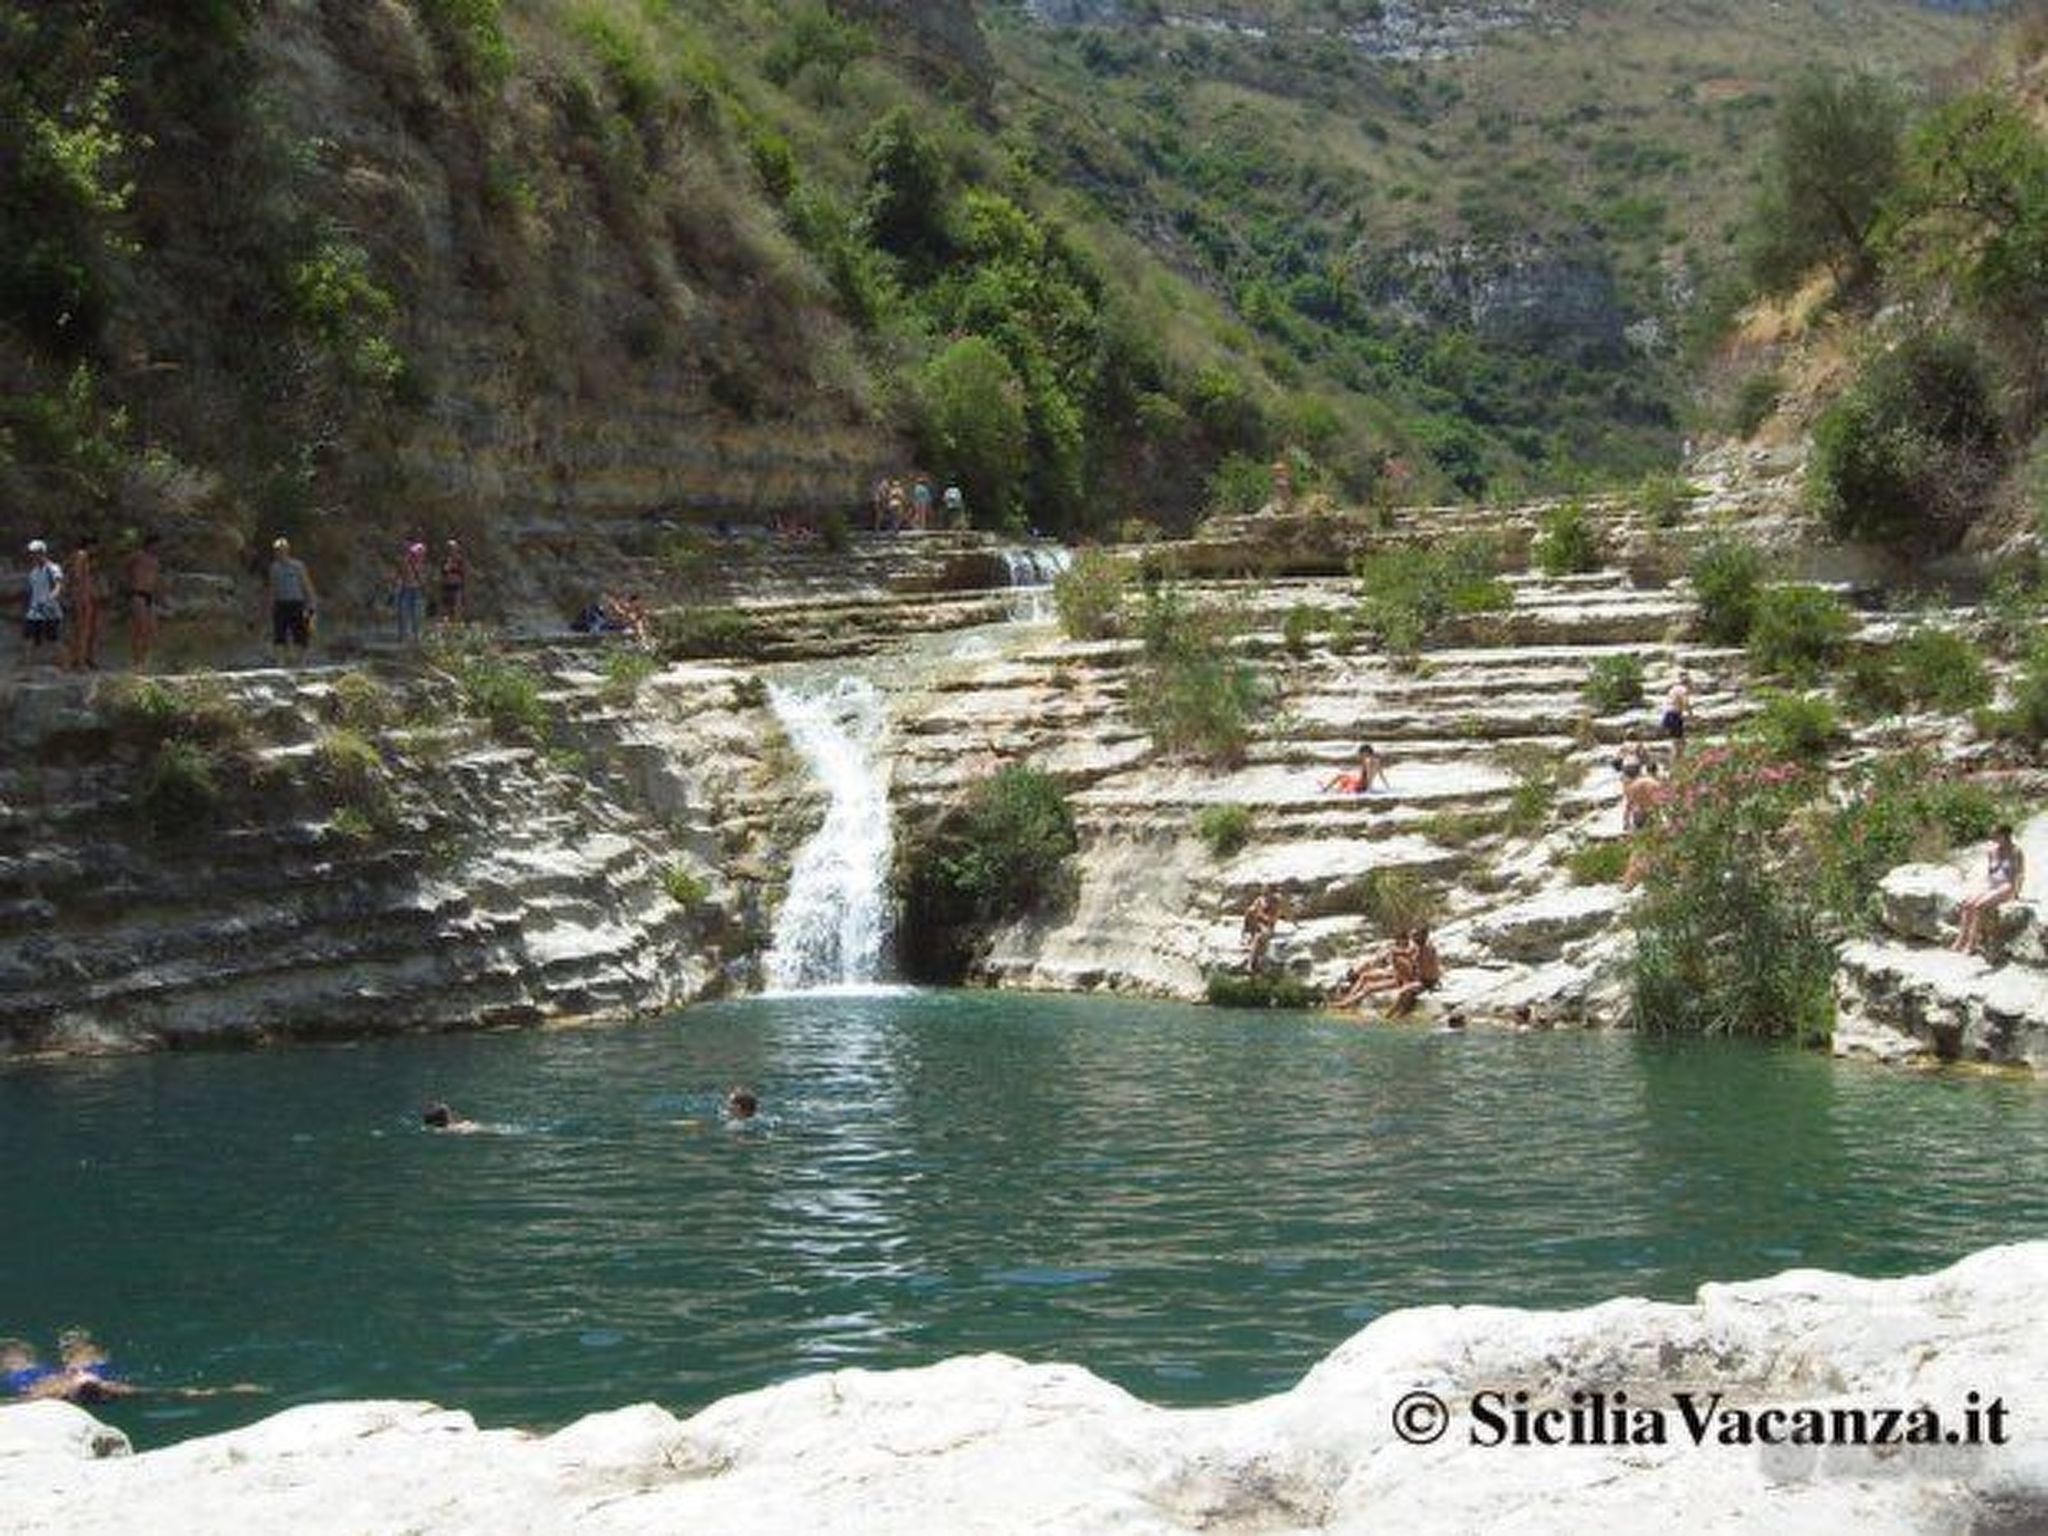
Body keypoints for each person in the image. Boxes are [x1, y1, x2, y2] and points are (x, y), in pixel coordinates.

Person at [1952, 825, 2026, 957]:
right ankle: (1961, 938)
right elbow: (1990, 874)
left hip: (2007, 886)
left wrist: (2016, 893)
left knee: (1979, 906)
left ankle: (1971, 943)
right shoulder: (1992, 852)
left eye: (1996, 835)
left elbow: (2020, 874)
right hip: (1992, 885)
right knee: (1967, 904)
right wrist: (1984, 889)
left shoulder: (2016, 852)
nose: (1993, 837)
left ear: (2005, 835)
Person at [1331, 928, 1417, 1008]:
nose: (1399, 941)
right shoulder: (1403, 948)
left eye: (1400, 939)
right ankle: (1349, 997)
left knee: (1368, 987)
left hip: (1400, 979)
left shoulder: (1407, 949)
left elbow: (1407, 955)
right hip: (1395, 974)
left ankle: (1346, 1003)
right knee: (1364, 976)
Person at [267, 538, 317, 660]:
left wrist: (311, 603)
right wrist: (271, 604)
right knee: (279, 633)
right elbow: (273, 587)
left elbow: (306, 584)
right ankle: (281, 662)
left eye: (283, 550)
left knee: (300, 633)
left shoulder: (298, 566)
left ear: (288, 550)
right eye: (278, 550)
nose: (280, 552)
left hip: (296, 603)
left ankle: (301, 661)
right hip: (281, 603)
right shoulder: (274, 568)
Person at [22, 538, 63, 669]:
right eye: (32, 553)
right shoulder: (33, 572)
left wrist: (50, 599)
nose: (33, 555)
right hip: (34, 612)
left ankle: (66, 665)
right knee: (28, 640)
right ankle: (27, 671)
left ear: (43, 553)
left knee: (54, 641)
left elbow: (58, 586)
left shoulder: (53, 568)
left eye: (36, 552)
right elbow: (31, 592)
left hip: (49, 611)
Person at [123, 533, 162, 670]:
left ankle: (144, 661)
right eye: (155, 544)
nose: (157, 547)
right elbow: (125, 566)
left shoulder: (156, 560)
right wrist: (129, 583)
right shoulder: (138, 555)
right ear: (149, 544)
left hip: (149, 596)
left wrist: (160, 596)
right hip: (137, 593)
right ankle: (136, 662)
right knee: (139, 629)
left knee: (151, 630)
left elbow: (155, 580)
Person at [62, 535, 100, 671]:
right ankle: (80, 663)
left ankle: (75, 660)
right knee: (82, 630)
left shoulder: (75, 556)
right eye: (95, 547)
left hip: (79, 596)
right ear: (90, 545)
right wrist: (82, 596)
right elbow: (77, 577)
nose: (96, 550)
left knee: (79, 630)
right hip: (81, 597)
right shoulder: (81, 555)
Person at [1388, 925, 1443, 1016]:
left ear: (1423, 936)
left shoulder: (1427, 948)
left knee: (1404, 992)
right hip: (1423, 980)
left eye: (1416, 935)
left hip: (1428, 982)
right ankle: (1396, 1016)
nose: (1413, 938)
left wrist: (1394, 951)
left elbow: (1408, 954)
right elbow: (1409, 954)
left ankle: (1393, 1016)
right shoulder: (1420, 946)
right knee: (1408, 993)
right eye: (1413, 935)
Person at [1240, 885, 1283, 973]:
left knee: (1258, 938)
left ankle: (1250, 963)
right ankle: (1245, 932)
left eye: (1267, 891)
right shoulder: (1260, 900)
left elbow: (1272, 919)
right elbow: (1251, 911)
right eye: (1264, 891)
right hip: (1257, 925)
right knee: (1250, 910)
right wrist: (1254, 912)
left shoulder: (1276, 902)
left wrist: (1260, 915)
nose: (1264, 893)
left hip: (1268, 927)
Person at [1322, 743, 1390, 795]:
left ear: (1365, 752)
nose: (1360, 756)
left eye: (1361, 753)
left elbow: (1369, 774)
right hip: (1364, 785)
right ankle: (1332, 789)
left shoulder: (1368, 760)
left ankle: (1325, 790)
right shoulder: (1377, 761)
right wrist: (1387, 786)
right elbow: (1381, 775)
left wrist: (1369, 789)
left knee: (1340, 776)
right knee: (1344, 778)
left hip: (1360, 785)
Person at [395, 539, 428, 644]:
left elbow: (422, 578)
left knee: (416, 614)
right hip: (407, 589)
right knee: (404, 613)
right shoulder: (405, 562)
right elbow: (400, 575)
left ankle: (415, 636)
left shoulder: (420, 564)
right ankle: (404, 636)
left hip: (416, 590)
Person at [1661, 671, 1691, 757]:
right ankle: (1677, 762)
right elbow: (1685, 703)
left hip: (1667, 715)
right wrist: (1691, 715)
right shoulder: (1683, 689)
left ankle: (1675, 761)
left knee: (1676, 741)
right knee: (1678, 742)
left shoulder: (1673, 689)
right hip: (1674, 716)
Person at [439, 537, 467, 622]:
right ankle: (447, 625)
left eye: (454, 548)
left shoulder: (460, 560)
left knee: (456, 607)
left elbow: (463, 573)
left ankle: (456, 625)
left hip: (457, 586)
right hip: (447, 585)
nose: (452, 550)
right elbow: (443, 571)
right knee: (446, 607)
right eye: (450, 548)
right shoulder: (445, 560)